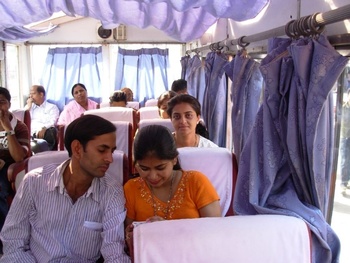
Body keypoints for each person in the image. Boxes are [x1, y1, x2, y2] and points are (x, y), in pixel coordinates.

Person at [0, 115, 130, 262]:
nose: (110, 159)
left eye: (112, 151)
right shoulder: (34, 182)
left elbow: (114, 252)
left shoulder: (111, 192)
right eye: (102, 150)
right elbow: (13, 241)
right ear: (77, 149)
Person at [124, 125, 221, 250]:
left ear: (174, 160)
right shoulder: (131, 188)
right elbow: (129, 236)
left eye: (160, 168)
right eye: (144, 168)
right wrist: (131, 238)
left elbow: (216, 233)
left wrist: (170, 230)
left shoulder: (196, 182)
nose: (153, 176)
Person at [0, 87, 30, 254]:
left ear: (9, 104)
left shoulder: (19, 127)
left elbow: (19, 157)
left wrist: (7, 129)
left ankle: (5, 243)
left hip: (8, 169)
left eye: (2, 102)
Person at [25, 85, 60, 152]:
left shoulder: (52, 107)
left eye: (33, 94)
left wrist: (44, 128)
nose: (31, 96)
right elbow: (23, 120)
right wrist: (28, 107)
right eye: (30, 94)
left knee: (52, 131)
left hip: (45, 133)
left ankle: (46, 153)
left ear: (41, 94)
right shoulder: (28, 108)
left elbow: (53, 121)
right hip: (31, 134)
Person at [340, 87, 350, 194]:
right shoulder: (344, 106)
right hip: (344, 136)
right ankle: (343, 182)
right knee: (344, 160)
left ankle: (347, 181)